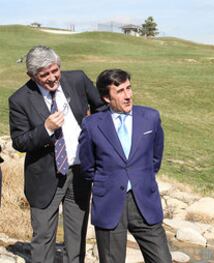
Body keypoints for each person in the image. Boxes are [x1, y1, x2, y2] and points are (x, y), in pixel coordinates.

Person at [8, 45, 105, 263]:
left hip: (80, 172)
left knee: (76, 234)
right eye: (44, 75)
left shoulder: (77, 79)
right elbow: (19, 142)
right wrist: (46, 129)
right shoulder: (19, 100)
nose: (52, 78)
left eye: (55, 70)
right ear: (32, 76)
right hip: (44, 178)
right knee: (43, 236)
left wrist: (94, 129)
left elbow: (101, 108)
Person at [78, 69, 171, 263]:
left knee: (162, 259)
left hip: (144, 201)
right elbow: (87, 166)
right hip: (109, 203)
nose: (128, 95)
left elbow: (156, 157)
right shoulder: (91, 125)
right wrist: (107, 182)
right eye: (120, 91)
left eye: (129, 88)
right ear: (105, 97)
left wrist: (141, 178)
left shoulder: (151, 118)